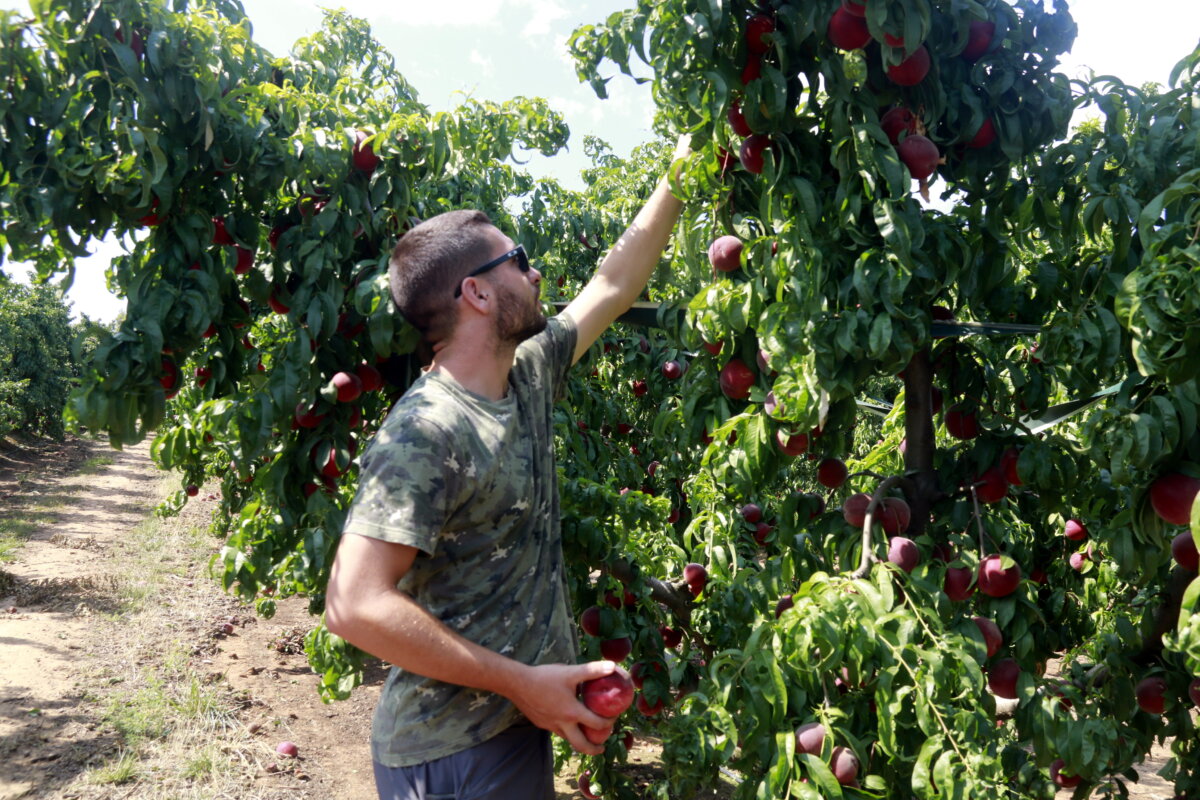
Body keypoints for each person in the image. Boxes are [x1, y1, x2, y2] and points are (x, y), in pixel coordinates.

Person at [325, 135, 691, 800]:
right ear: (478, 294)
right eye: (518, 262)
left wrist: (679, 173)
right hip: (449, 753)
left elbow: (613, 283)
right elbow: (353, 606)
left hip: (507, 729)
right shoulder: (426, 430)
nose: (536, 273)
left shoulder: (527, 372)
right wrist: (522, 683)